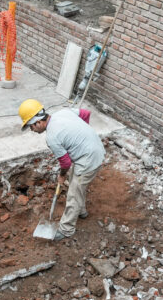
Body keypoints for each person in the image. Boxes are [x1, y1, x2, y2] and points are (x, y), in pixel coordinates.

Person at [18, 99, 105, 241]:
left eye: (31, 127)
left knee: (73, 193)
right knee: (76, 182)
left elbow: (65, 163)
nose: (32, 131)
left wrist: (62, 176)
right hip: (95, 147)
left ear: (38, 122)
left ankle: (66, 229)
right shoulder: (63, 112)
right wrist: (83, 137)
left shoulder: (52, 137)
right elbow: (85, 114)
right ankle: (81, 211)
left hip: (89, 159)